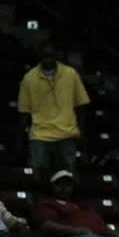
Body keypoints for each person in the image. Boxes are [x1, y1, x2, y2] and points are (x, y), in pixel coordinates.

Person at [17, 43, 90, 176]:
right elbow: (24, 113)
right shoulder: (29, 78)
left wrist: (82, 133)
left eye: (50, 56)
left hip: (67, 134)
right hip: (40, 134)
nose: (48, 59)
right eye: (45, 56)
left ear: (56, 56)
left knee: (67, 176)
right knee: (37, 175)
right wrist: (21, 139)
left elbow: (80, 107)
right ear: (39, 56)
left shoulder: (71, 74)